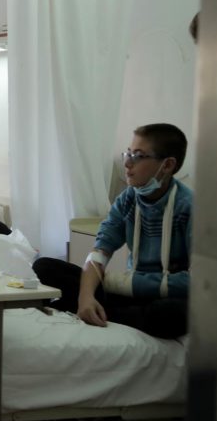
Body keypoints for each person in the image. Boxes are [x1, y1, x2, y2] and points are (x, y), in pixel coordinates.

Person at [33, 123, 192, 338]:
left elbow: (199, 281)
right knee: (44, 267)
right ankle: (101, 310)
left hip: (164, 298)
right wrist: (86, 297)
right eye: (128, 153)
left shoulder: (188, 206)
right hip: (129, 295)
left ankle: (103, 312)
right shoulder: (128, 199)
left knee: (171, 315)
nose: (127, 163)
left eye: (138, 156)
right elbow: (99, 252)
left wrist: (125, 283)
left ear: (167, 165)